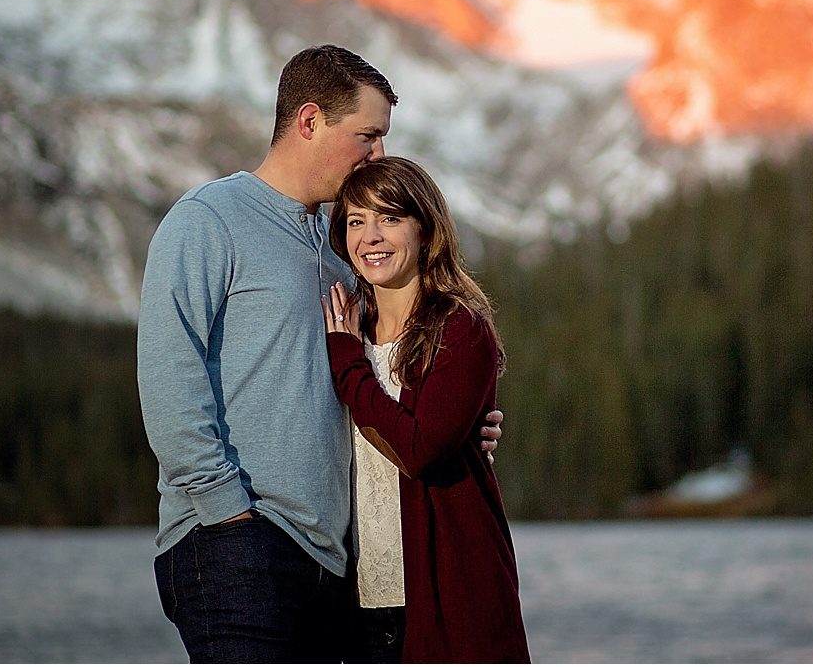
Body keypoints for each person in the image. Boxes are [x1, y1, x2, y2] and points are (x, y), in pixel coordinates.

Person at [137, 45, 503, 663]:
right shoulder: (207, 221)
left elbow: (369, 385)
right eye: (368, 135)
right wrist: (228, 513)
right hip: (237, 548)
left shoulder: (344, 252)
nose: (378, 154)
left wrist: (460, 425)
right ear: (310, 121)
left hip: (334, 571)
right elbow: (169, 378)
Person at [323, 156, 531, 663]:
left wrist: (349, 363)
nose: (371, 236)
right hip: (359, 604)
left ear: (424, 230)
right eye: (356, 221)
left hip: (449, 597)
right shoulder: (343, 331)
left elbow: (417, 450)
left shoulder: (459, 329)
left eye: (389, 218)